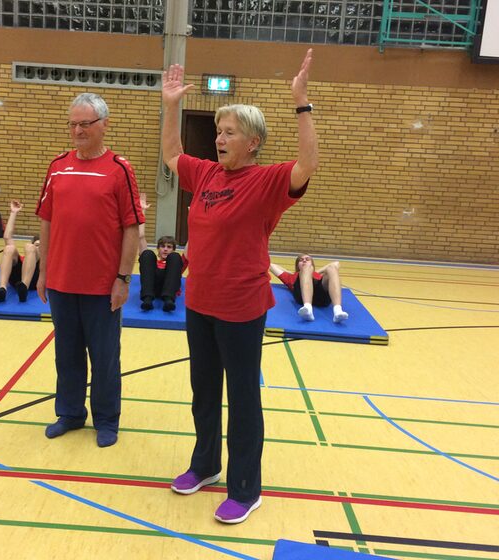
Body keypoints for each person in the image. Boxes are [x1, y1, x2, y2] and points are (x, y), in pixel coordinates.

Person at [161, 48, 318, 524]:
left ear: (253, 142)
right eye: (218, 131)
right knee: (203, 391)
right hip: (200, 301)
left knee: (242, 398)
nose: (219, 138)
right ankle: (205, 465)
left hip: (242, 307)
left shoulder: (268, 181)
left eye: (229, 133)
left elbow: (308, 163)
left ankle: (246, 488)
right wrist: (171, 105)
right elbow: (171, 154)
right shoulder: (206, 173)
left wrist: (302, 102)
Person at [36, 92, 144, 448]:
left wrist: (123, 278)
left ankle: (107, 420)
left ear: (104, 125)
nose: (78, 130)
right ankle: (69, 412)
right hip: (63, 283)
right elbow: (47, 221)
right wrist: (43, 273)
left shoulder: (119, 169)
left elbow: (132, 227)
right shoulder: (57, 166)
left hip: (102, 286)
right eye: (73, 124)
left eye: (85, 123)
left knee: (105, 358)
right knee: (66, 354)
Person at [137, 194, 184, 312]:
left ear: (173, 249)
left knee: (175, 258)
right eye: (163, 246)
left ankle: (168, 299)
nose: (166, 249)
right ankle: (147, 298)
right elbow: (140, 236)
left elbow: (192, 241)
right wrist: (142, 210)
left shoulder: (175, 261)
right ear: (158, 249)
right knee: (146, 254)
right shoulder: (152, 262)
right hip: (152, 288)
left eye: (169, 247)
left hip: (169, 289)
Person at [269, 256, 348, 323]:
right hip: (301, 297)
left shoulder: (318, 274)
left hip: (322, 298)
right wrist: (292, 272)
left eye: (307, 259)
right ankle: (308, 309)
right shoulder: (291, 277)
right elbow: (271, 265)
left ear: (312, 265)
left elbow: (336, 263)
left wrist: (314, 271)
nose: (304, 260)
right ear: (297, 266)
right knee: (306, 268)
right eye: (301, 260)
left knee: (332, 268)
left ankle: (338, 310)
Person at [0, 200, 40, 303]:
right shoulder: (25, 256)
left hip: (35, 280)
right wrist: (13, 212)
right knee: (9, 248)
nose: (37, 248)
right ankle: (2, 289)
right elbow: (7, 237)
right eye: (36, 245)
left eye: (40, 246)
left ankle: (24, 288)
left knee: (29, 247)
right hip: (16, 280)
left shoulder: (47, 257)